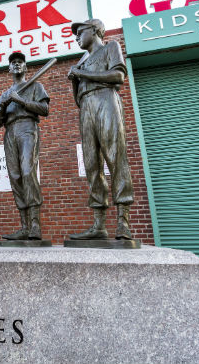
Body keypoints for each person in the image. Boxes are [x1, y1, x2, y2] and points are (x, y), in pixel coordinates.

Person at [67, 19, 134, 240]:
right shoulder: (82, 60)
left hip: (106, 100)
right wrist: (75, 80)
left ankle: (123, 222)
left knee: (115, 157)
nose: (76, 37)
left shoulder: (110, 47)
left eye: (80, 32)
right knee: (91, 164)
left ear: (95, 30)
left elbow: (118, 77)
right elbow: (78, 98)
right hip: (86, 106)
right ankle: (98, 226)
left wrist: (82, 74)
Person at [0, 52, 49, 240]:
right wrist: (2, 105)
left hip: (27, 127)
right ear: (9, 69)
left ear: (25, 67)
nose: (17, 65)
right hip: (10, 131)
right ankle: (24, 226)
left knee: (27, 171)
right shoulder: (5, 93)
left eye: (20, 62)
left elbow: (44, 110)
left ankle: (35, 225)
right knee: (15, 176)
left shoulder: (36, 86)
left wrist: (21, 100)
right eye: (13, 63)